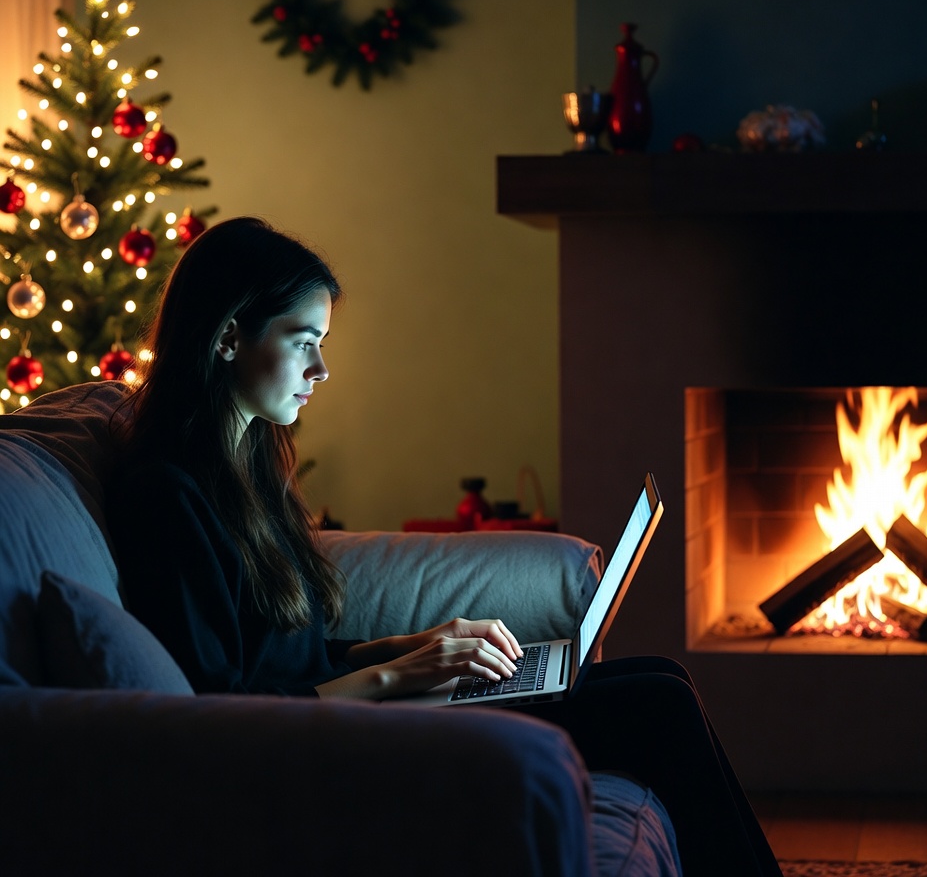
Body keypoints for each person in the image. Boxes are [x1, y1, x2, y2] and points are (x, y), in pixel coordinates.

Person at [107, 216, 781, 877]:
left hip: (357, 712)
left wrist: (428, 646)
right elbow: (226, 707)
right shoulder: (165, 498)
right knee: (658, 709)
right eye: (304, 341)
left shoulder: (249, 466)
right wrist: (404, 678)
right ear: (228, 338)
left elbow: (293, 657)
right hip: (319, 748)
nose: (322, 369)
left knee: (664, 674)